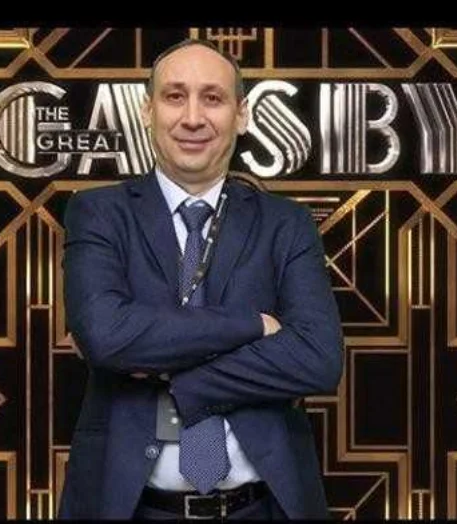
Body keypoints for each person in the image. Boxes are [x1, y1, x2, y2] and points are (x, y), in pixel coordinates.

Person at [58, 38, 344, 520]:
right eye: (175, 96)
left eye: (213, 98)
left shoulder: (286, 223)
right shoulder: (98, 212)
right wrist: (254, 326)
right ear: (147, 111)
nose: (193, 117)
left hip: (263, 507)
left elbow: (318, 360)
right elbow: (107, 336)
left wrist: (182, 380)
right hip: (132, 508)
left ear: (241, 114)